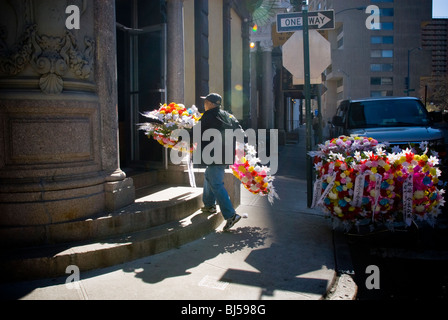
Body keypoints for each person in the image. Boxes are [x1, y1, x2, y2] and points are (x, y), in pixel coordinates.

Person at [195, 93, 241, 231]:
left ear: (210, 103)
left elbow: (196, 132)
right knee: (209, 175)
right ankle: (209, 205)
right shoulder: (227, 115)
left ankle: (231, 215)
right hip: (223, 154)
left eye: (206, 102)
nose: (204, 104)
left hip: (214, 155)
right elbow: (239, 131)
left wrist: (178, 136)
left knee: (215, 183)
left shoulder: (208, 115)